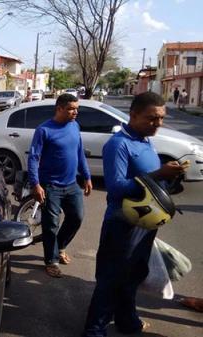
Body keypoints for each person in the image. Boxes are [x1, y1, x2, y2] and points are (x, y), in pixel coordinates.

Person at [83, 92, 188, 336]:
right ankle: (94, 330)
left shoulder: (145, 140)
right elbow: (116, 187)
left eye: (161, 118)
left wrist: (168, 179)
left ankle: (127, 320)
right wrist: (158, 174)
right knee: (111, 279)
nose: (158, 124)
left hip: (145, 222)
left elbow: (147, 182)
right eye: (152, 118)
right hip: (122, 224)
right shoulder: (118, 145)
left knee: (133, 276)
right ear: (133, 115)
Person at [27, 93, 92, 278]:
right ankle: (51, 261)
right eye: (71, 109)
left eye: (77, 108)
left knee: (76, 217)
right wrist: (35, 184)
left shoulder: (74, 126)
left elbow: (79, 153)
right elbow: (33, 158)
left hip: (71, 184)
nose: (75, 112)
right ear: (59, 109)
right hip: (50, 186)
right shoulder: (44, 130)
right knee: (50, 225)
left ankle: (60, 245)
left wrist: (86, 176)